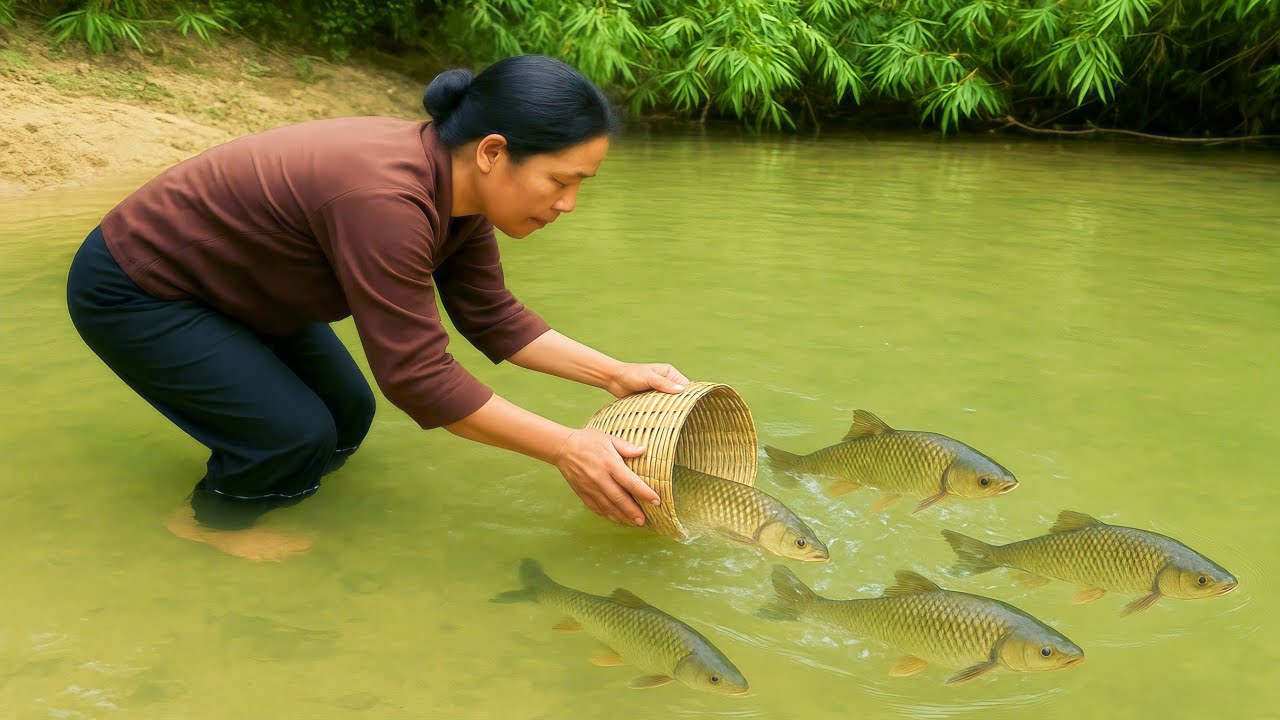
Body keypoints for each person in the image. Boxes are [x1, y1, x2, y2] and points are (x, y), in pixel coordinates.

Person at [65, 54, 688, 561]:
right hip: (140, 287)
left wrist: (616, 374)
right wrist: (565, 447)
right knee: (291, 434)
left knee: (347, 414)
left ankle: (273, 477)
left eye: (581, 185)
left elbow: (492, 316)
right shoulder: (386, 200)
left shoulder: (459, 196)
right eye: (560, 180)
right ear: (493, 153)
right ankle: (209, 522)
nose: (569, 204)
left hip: (242, 288)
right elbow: (419, 380)